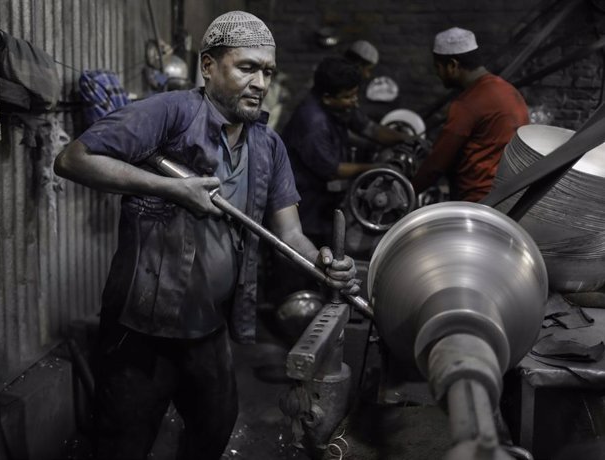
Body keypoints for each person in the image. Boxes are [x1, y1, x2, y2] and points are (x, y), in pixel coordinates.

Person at [53, 10, 359, 460]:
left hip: (208, 326)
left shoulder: (267, 145)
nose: (260, 82)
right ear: (209, 66)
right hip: (142, 325)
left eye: (267, 72)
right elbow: (73, 159)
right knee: (123, 441)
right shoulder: (168, 113)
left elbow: (290, 233)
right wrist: (169, 188)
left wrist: (323, 265)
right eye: (247, 67)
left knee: (214, 427)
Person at [282, 56, 410, 249]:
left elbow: (370, 129)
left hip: (326, 201)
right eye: (349, 96)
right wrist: (379, 168)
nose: (355, 102)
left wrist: (406, 138)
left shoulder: (341, 106)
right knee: (306, 257)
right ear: (327, 97)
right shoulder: (313, 123)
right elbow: (334, 170)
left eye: (355, 94)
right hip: (306, 205)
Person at [411, 27, 529, 202]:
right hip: (511, 195)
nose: (437, 74)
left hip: (478, 202)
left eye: (438, 67)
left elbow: (435, 167)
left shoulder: (467, 104)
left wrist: (407, 192)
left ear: (453, 65)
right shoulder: (509, 90)